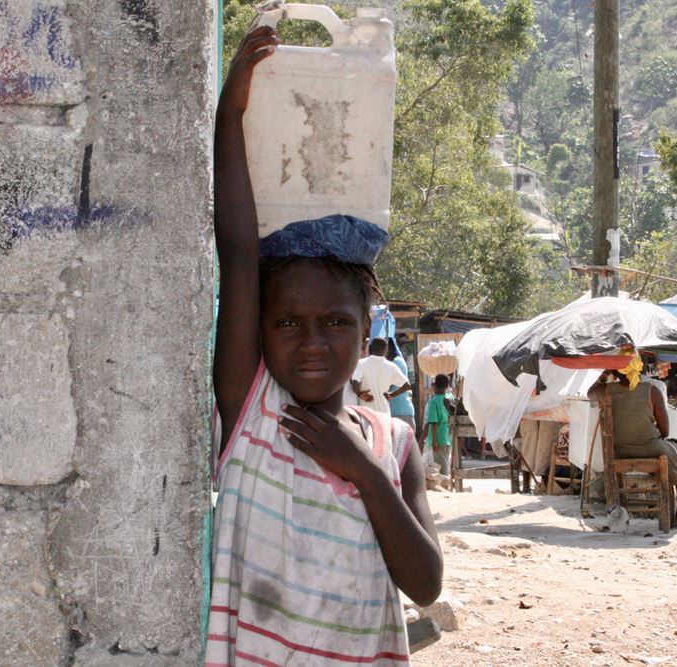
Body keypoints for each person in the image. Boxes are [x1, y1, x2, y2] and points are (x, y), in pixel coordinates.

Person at [208, 27, 442, 665]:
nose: (311, 342)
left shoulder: (392, 444)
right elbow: (238, 252)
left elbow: (426, 584)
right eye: (287, 324)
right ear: (259, 331)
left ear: (366, 332)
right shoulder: (251, 409)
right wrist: (230, 113)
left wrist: (362, 468)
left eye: (335, 324)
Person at [589, 371, 677, 526]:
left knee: (672, 451)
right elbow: (664, 431)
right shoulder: (651, 391)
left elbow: (590, 393)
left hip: (618, 451)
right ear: (637, 370)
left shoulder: (606, 389)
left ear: (616, 372)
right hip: (650, 447)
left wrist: (605, 374)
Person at [351, 337, 412, 417]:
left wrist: (359, 393)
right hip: (384, 415)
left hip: (366, 414)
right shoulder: (391, 366)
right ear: (386, 350)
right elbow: (407, 386)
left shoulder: (361, 363)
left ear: (370, 348)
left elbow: (355, 381)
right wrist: (391, 395)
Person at [419, 374, 453, 476]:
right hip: (449, 435)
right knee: (446, 460)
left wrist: (434, 441)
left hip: (438, 437)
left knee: (440, 465)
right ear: (447, 386)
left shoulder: (434, 401)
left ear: (435, 386)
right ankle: (448, 482)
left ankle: (445, 483)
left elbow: (433, 423)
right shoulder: (451, 398)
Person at [386, 338, 417, 433]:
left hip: (400, 412)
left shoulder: (397, 362)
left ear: (389, 349)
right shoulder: (397, 361)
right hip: (399, 412)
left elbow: (391, 385)